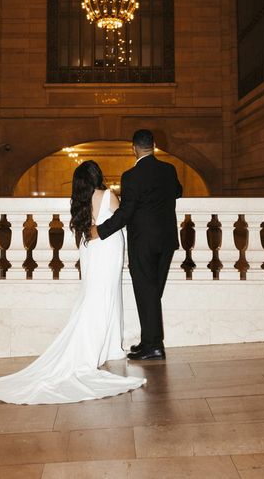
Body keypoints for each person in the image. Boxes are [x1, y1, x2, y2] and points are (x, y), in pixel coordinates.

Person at [0, 160, 146, 404]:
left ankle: (109, 345)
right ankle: (104, 346)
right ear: (97, 176)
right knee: (107, 295)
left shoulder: (79, 202)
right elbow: (120, 219)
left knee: (95, 294)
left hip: (91, 251)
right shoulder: (107, 196)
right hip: (108, 249)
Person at [90, 130, 183, 361]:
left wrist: (100, 231)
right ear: (154, 145)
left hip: (143, 242)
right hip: (167, 240)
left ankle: (154, 346)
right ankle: (149, 342)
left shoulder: (131, 176)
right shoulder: (169, 170)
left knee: (147, 292)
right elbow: (178, 191)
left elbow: (126, 212)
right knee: (152, 293)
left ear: (134, 148)